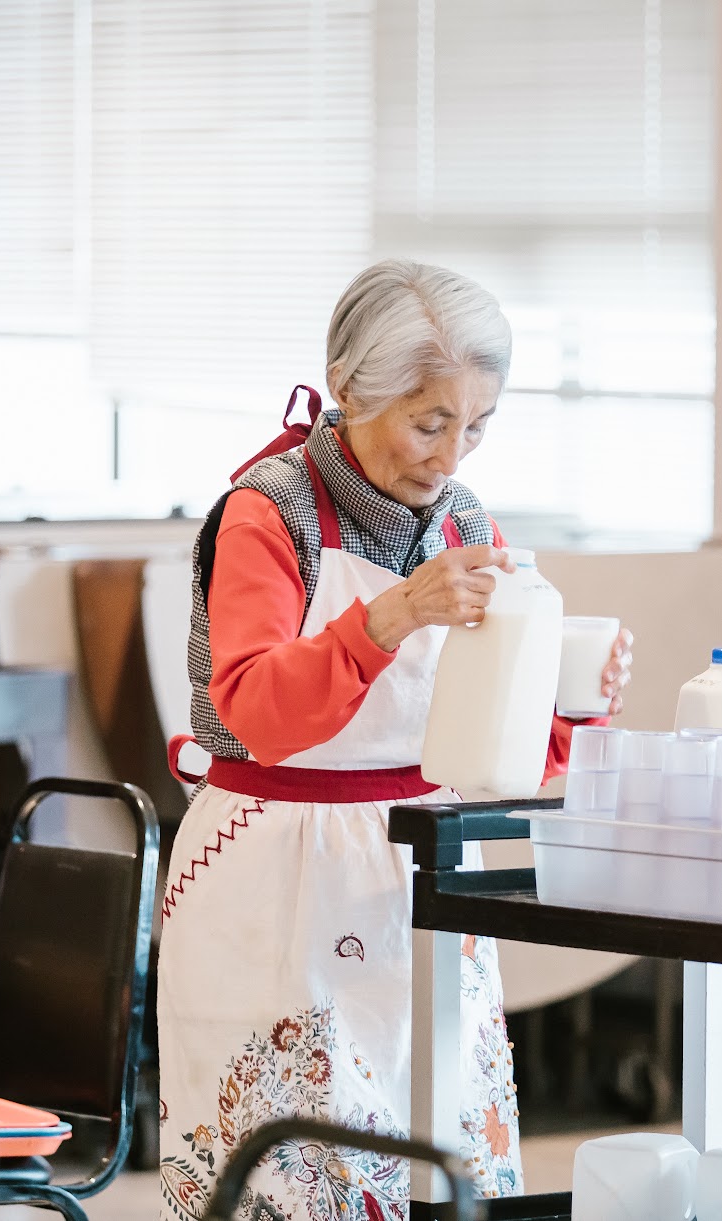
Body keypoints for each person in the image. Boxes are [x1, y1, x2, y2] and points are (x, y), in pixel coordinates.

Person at [158, 261, 634, 1221]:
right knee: (292, 1167)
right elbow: (255, 708)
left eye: (478, 424)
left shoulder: (465, 520)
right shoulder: (269, 510)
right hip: (274, 864)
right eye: (429, 421)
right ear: (348, 390)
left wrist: (576, 707)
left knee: (436, 1145)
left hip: (418, 858)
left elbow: (499, 746)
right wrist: (387, 619)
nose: (453, 453)